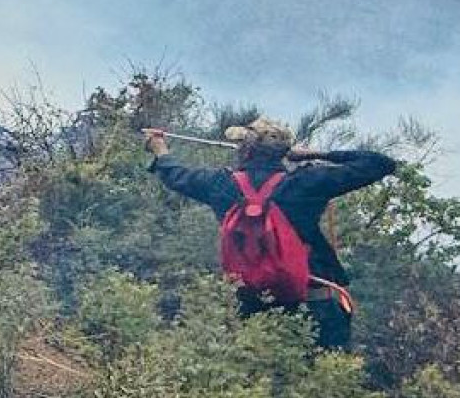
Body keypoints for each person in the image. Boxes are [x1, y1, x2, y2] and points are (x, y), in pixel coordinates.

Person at [144, 118, 398, 349]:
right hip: (314, 304)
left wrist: (159, 147)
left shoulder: (219, 184)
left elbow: (174, 174)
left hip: (249, 307)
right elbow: (380, 164)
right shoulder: (307, 182)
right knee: (327, 386)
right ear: (283, 153)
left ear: (246, 149)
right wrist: (320, 153)